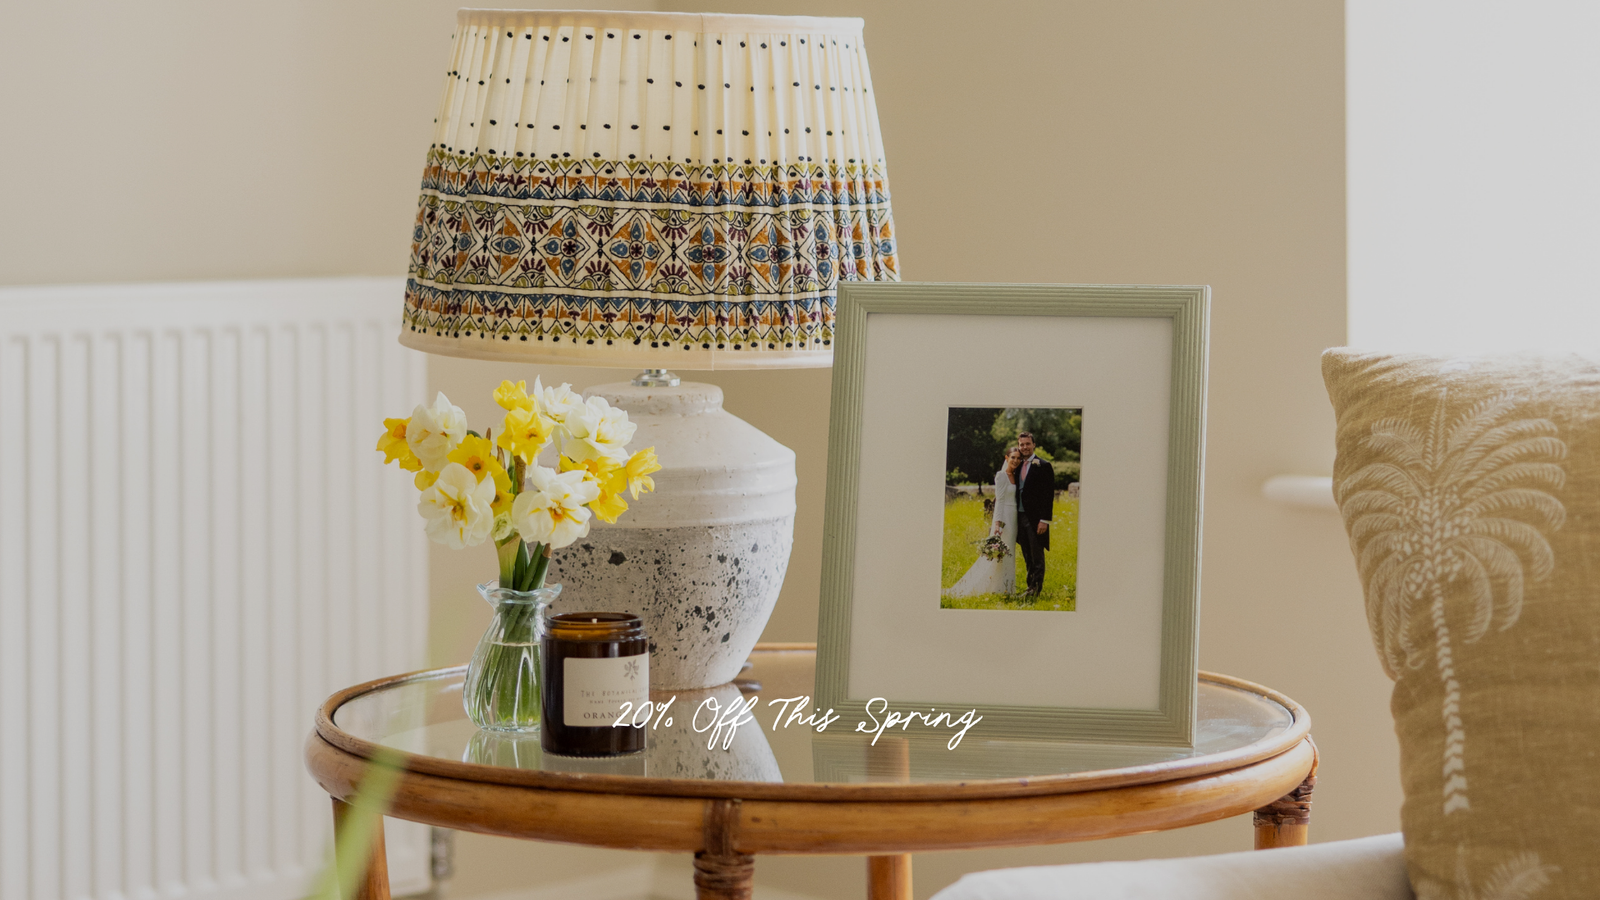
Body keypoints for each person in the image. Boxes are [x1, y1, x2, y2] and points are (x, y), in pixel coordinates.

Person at [943, 446, 1022, 598]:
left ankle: (1006, 586)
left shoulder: (1016, 475)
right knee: (998, 552)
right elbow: (999, 501)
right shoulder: (1001, 476)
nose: (1016, 460)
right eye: (1013, 457)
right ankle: (990, 586)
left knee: (1009, 552)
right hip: (1004, 517)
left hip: (1014, 518)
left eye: (1018, 458)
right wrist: (997, 523)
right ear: (1006, 458)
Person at [1014, 431, 1054, 597]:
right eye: (1021, 444)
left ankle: (1035, 589)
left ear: (1034, 445)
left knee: (1036, 554)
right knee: (1026, 554)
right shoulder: (1016, 466)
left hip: (1036, 519)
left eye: (1027, 444)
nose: (1024, 447)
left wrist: (1044, 520)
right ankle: (1029, 586)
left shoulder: (1043, 466)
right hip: (1019, 517)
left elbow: (1048, 496)